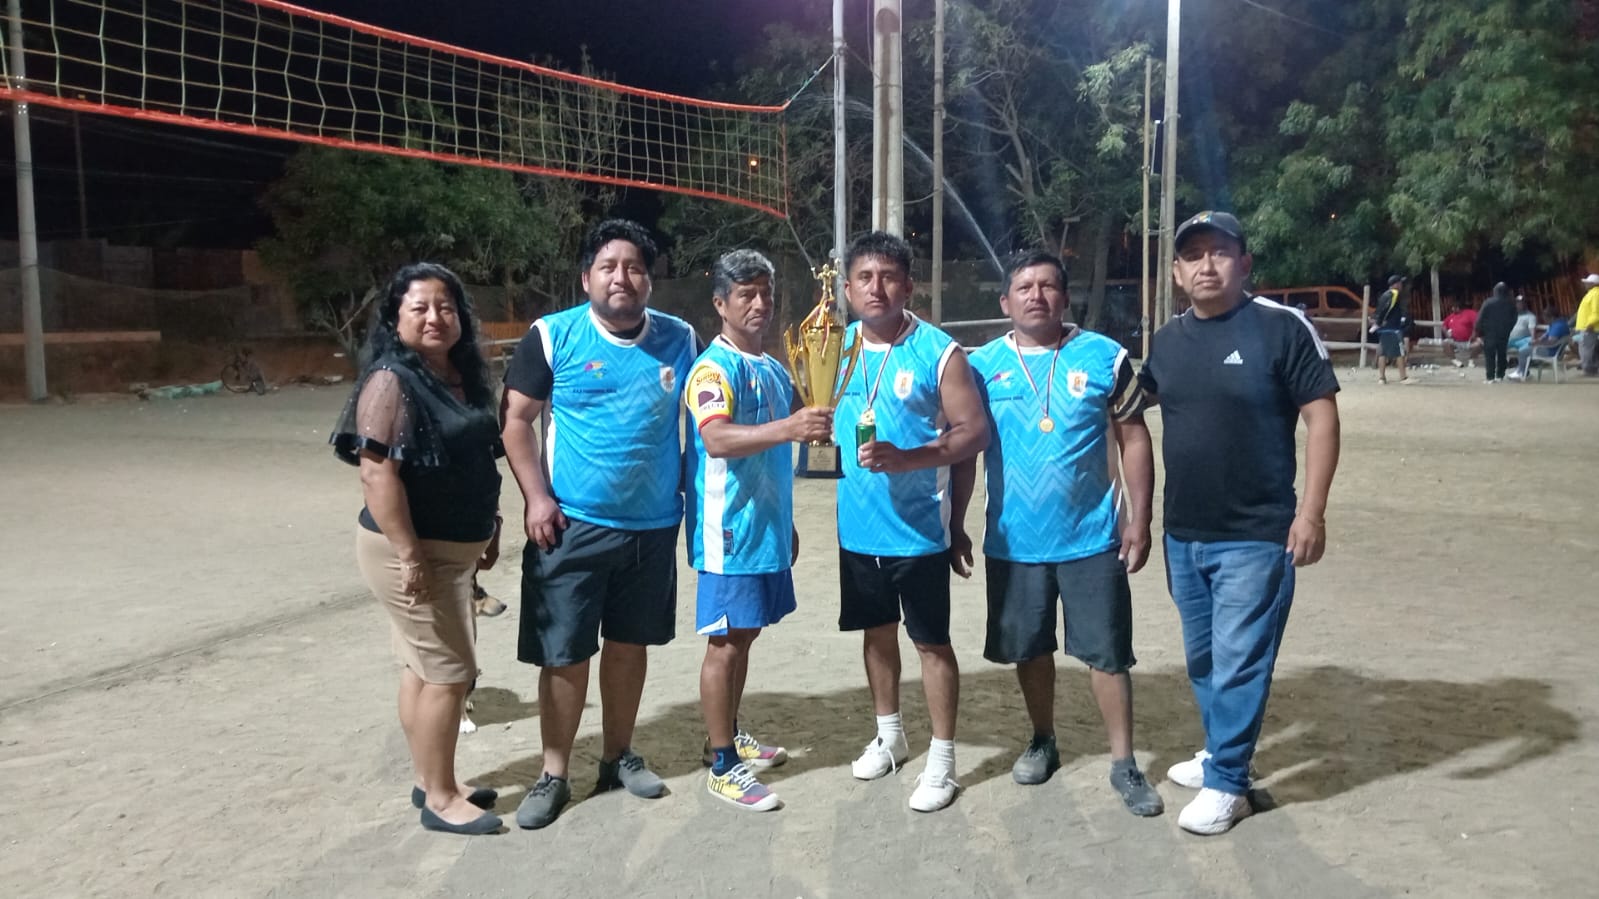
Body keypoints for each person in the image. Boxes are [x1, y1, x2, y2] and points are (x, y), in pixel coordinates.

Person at [1138, 211, 1341, 835]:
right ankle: (1221, 752)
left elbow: (1322, 420)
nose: (1206, 265)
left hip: (1257, 533)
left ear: (1244, 263)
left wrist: (1311, 513)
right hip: (1184, 532)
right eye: (1192, 255)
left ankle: (1229, 784)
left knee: (1240, 660)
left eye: (1219, 252)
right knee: (1203, 658)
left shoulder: (1280, 329)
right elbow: (1129, 404)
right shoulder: (1168, 342)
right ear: (1176, 272)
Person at [500, 219, 700, 830]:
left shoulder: (680, 339)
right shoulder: (553, 335)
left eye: (634, 267)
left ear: (649, 280)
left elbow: (701, 426)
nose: (622, 277)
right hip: (571, 525)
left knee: (628, 645)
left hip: (652, 526)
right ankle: (554, 773)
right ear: (586, 277)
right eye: (608, 267)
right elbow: (515, 422)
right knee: (564, 655)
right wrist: (536, 498)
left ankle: (618, 757)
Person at [950, 250, 1163, 817]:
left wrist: (1140, 518)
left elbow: (1133, 438)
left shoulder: (1105, 357)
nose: (1036, 295)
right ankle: (1043, 738)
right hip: (1015, 541)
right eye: (1024, 287)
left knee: (1108, 654)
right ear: (1005, 301)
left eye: (1048, 286)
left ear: (1065, 298)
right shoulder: (980, 366)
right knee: (1030, 648)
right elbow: (966, 452)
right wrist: (956, 522)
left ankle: (1124, 762)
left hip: (1093, 538)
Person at [331, 262, 505, 836]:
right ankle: (441, 798)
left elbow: (471, 459)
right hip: (410, 552)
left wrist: (489, 524)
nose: (435, 317)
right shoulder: (391, 380)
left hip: (451, 549)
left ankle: (432, 779)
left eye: (446, 306)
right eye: (420, 308)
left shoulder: (459, 374)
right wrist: (409, 556)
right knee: (450, 673)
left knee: (420, 666)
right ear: (395, 318)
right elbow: (376, 473)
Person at [833, 230, 989, 813]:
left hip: (920, 530)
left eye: (888, 277)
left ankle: (942, 760)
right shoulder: (834, 348)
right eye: (864, 278)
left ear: (908, 286)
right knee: (876, 635)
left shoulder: (939, 351)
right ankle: (890, 736)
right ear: (848, 288)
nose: (876, 288)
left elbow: (973, 433)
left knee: (931, 644)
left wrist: (909, 459)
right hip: (857, 529)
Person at [685, 250, 833, 812]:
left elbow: (773, 455)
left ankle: (724, 733)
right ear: (720, 304)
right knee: (724, 643)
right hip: (727, 533)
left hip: (764, 530)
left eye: (766, 293)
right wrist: (791, 426)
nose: (759, 304)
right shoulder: (712, 369)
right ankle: (723, 766)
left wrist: (783, 520)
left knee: (744, 635)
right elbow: (717, 439)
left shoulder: (772, 369)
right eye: (746, 294)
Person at [1511, 305, 1574, 380]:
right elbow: (1546, 335)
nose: (1545, 320)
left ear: (1552, 317)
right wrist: (1537, 340)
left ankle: (1521, 372)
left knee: (1523, 352)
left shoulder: (1557, 326)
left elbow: (1551, 342)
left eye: (1546, 318)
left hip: (1550, 351)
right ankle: (1521, 371)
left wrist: (1537, 344)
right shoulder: (1560, 323)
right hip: (1557, 350)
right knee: (1526, 347)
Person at [1371, 274, 1412, 384]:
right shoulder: (1394, 294)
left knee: (1383, 352)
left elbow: (1379, 310)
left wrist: (1377, 322)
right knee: (1400, 352)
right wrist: (1380, 321)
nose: (1402, 285)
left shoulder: (1384, 295)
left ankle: (1382, 378)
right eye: (1400, 283)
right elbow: (1387, 308)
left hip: (1383, 328)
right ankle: (1403, 377)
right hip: (1392, 327)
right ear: (1396, 284)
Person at [1475, 282, 1517, 383]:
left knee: (1490, 356)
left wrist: (1479, 332)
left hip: (1489, 333)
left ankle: (1490, 377)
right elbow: (1514, 318)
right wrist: (1508, 329)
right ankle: (1500, 375)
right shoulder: (1511, 304)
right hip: (1504, 333)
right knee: (1502, 354)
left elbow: (1480, 318)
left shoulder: (1488, 302)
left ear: (1495, 291)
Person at [1442, 301, 1479, 369]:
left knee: (1479, 344)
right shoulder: (1451, 316)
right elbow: (1444, 325)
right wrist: (1447, 334)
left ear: (1458, 308)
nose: (1452, 309)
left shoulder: (1470, 313)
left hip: (1468, 341)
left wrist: (1474, 335)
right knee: (1445, 343)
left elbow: (1477, 324)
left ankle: (1471, 361)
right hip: (1455, 341)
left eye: (1453, 308)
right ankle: (1456, 362)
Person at [1577, 273, 1599, 376]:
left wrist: (1590, 324)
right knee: (1589, 349)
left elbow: (1596, 312)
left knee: (1586, 349)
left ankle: (1589, 370)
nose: (1585, 284)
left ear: (1593, 284)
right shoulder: (1592, 293)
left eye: (1587, 283)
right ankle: (1591, 369)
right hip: (1587, 327)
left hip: (1590, 328)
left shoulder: (1596, 294)